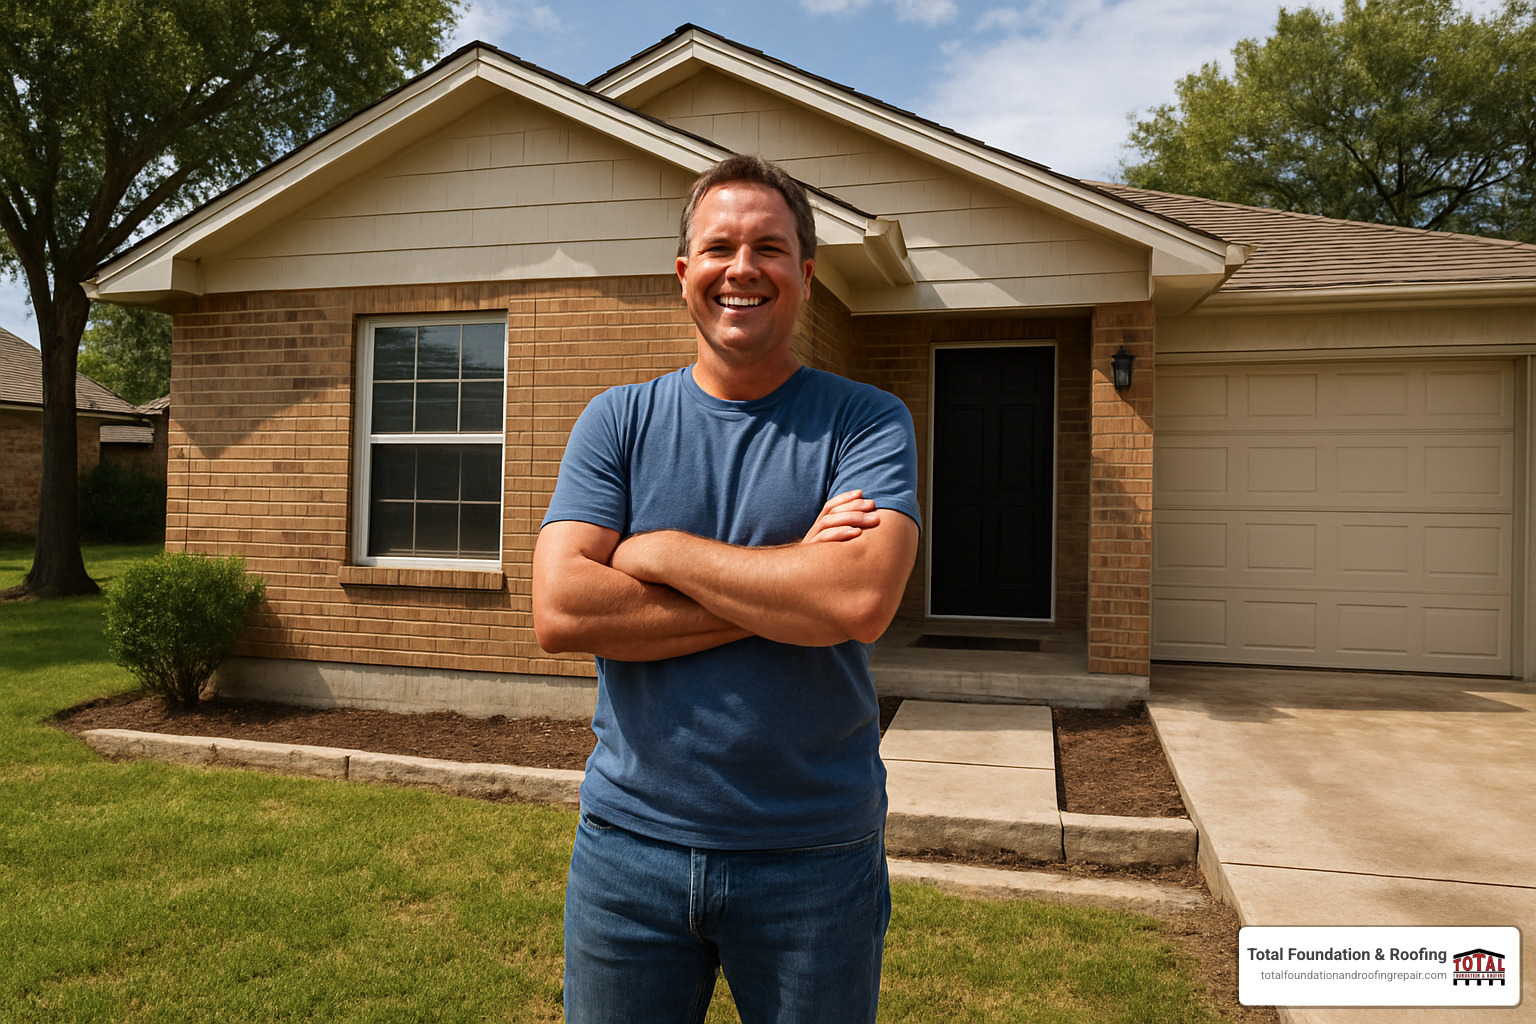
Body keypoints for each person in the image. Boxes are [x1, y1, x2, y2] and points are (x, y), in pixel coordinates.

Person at [532, 154, 920, 1024]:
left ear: (806, 277)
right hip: (627, 851)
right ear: (684, 275)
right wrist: (790, 586)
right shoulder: (618, 421)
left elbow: (855, 603)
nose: (743, 268)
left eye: (770, 249)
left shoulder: (866, 421)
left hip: (814, 856)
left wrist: (657, 548)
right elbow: (560, 609)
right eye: (719, 248)